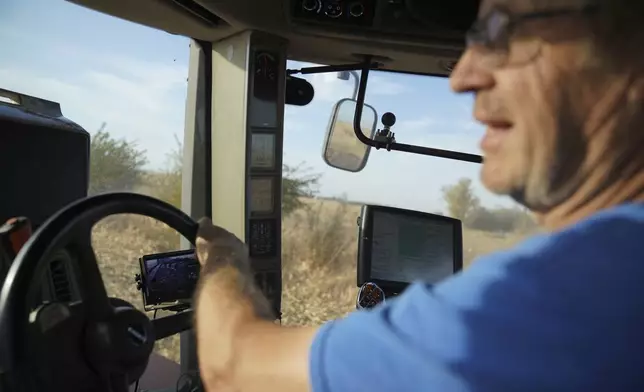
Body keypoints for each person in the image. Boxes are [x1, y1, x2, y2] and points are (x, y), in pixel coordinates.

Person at [192, 0, 644, 390]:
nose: (462, 77)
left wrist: (225, 261)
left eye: (504, 32)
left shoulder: (560, 298)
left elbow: (232, 367)